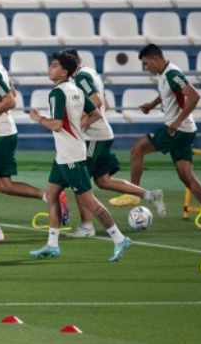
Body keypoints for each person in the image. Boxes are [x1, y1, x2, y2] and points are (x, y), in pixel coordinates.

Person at [0, 34, 67, 242]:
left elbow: (9, 101)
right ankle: (49, 196)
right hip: (6, 131)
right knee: (3, 185)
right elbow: (11, 93)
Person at [28, 51, 131, 261]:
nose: (51, 68)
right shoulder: (76, 90)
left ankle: (119, 238)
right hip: (67, 153)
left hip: (71, 156)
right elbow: (95, 114)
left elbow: (56, 125)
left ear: (64, 71)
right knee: (52, 193)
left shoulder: (57, 93)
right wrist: (76, 127)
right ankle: (52, 244)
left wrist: (39, 119)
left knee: (90, 201)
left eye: (55, 65)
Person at [62, 48, 166, 238]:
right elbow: (106, 105)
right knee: (103, 181)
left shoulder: (80, 77)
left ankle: (86, 226)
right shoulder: (92, 73)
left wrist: (79, 124)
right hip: (102, 134)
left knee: (79, 179)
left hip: (93, 136)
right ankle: (150, 195)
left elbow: (97, 101)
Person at [129, 44, 201, 230]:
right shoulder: (165, 74)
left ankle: (132, 193)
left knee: (136, 150)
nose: (146, 67)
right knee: (185, 175)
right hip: (184, 130)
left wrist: (176, 122)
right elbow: (168, 92)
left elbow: (194, 97)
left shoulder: (173, 74)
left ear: (155, 58)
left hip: (177, 130)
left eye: (146, 63)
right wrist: (151, 104)